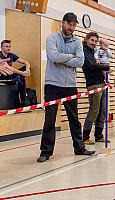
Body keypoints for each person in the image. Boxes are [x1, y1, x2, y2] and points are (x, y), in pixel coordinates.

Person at [37, 12, 95, 163]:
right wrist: (70, 56)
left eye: (74, 25)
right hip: (52, 85)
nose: (71, 27)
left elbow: (80, 62)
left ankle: (79, 148)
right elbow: (53, 56)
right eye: (69, 24)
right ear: (62, 23)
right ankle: (46, 151)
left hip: (70, 85)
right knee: (50, 120)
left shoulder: (77, 42)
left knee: (74, 118)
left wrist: (65, 58)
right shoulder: (52, 38)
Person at [82, 32, 110, 145]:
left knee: (102, 110)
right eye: (92, 40)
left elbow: (100, 63)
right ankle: (85, 136)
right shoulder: (84, 51)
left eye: (95, 41)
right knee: (94, 110)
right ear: (87, 39)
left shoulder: (95, 52)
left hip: (101, 83)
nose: (93, 43)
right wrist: (106, 66)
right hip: (93, 85)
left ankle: (98, 135)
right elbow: (92, 65)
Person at [0, 40, 31, 106]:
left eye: (9, 46)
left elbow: (25, 62)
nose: (8, 48)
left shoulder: (11, 55)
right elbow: (7, 67)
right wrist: (22, 73)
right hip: (3, 75)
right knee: (20, 77)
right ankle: (23, 100)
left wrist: (27, 70)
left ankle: (23, 100)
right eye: (6, 46)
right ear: (1, 47)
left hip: (11, 74)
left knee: (22, 76)